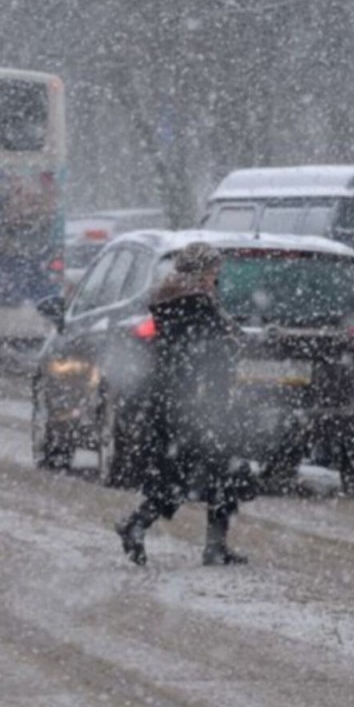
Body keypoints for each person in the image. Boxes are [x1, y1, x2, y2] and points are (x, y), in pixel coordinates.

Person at [114, 242, 254, 566]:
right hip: (194, 404)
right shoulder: (192, 303)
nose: (216, 277)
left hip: (184, 401)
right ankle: (139, 525)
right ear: (202, 271)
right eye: (214, 271)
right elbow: (204, 350)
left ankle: (208, 544)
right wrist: (230, 344)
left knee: (207, 472)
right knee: (198, 472)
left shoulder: (180, 300)